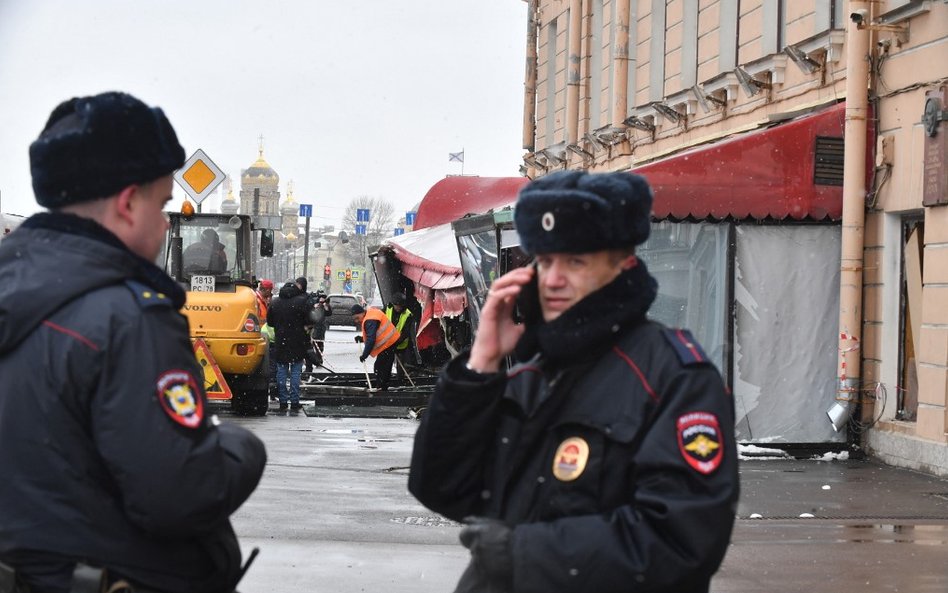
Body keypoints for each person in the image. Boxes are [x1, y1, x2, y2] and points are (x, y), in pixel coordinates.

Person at [408, 170, 739, 593]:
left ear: (624, 265)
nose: (554, 279)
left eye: (576, 261)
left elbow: (682, 537)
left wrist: (522, 555)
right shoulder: (531, 372)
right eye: (545, 262)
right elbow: (442, 488)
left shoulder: (673, 377)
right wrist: (481, 363)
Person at [0, 91, 267, 593]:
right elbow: (179, 494)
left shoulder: (15, 291)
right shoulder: (129, 317)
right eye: (162, 203)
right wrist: (240, 446)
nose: (166, 223)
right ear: (127, 204)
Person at [267, 280, 310, 411]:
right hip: (298, 341)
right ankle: (295, 401)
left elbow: (270, 322)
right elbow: (308, 320)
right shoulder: (301, 302)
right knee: (296, 372)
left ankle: (283, 402)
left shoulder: (275, 302)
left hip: (281, 341)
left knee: (281, 371)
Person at [351, 304, 400, 391]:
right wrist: (362, 339)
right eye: (354, 319)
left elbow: (371, 339)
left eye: (357, 318)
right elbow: (374, 335)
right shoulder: (370, 315)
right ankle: (382, 386)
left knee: (380, 367)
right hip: (389, 342)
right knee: (383, 366)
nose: (356, 321)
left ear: (362, 313)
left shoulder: (370, 320)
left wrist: (364, 355)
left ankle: (382, 387)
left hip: (389, 343)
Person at [384, 293, 415, 383]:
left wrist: (396, 343)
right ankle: (386, 381)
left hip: (400, 344)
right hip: (388, 343)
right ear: (393, 304)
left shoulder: (408, 315)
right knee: (387, 363)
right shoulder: (387, 309)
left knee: (400, 366)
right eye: (396, 305)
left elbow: (406, 332)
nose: (398, 308)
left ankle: (400, 382)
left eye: (400, 306)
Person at [305, 288, 332, 374]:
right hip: (313, 327)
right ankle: (312, 361)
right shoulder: (313, 304)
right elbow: (309, 313)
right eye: (320, 298)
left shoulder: (325, 305)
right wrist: (314, 306)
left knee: (320, 345)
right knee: (311, 344)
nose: (322, 300)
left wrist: (326, 306)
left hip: (321, 327)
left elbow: (329, 313)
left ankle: (319, 360)